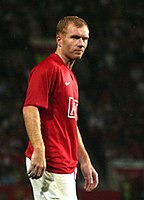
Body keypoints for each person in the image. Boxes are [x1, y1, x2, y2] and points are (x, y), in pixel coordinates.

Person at [22, 16, 99, 200]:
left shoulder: (70, 76)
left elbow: (70, 124)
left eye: (84, 39)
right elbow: (30, 109)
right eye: (74, 37)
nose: (81, 43)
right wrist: (40, 151)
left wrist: (85, 160)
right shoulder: (47, 69)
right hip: (51, 163)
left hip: (65, 164)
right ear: (59, 40)